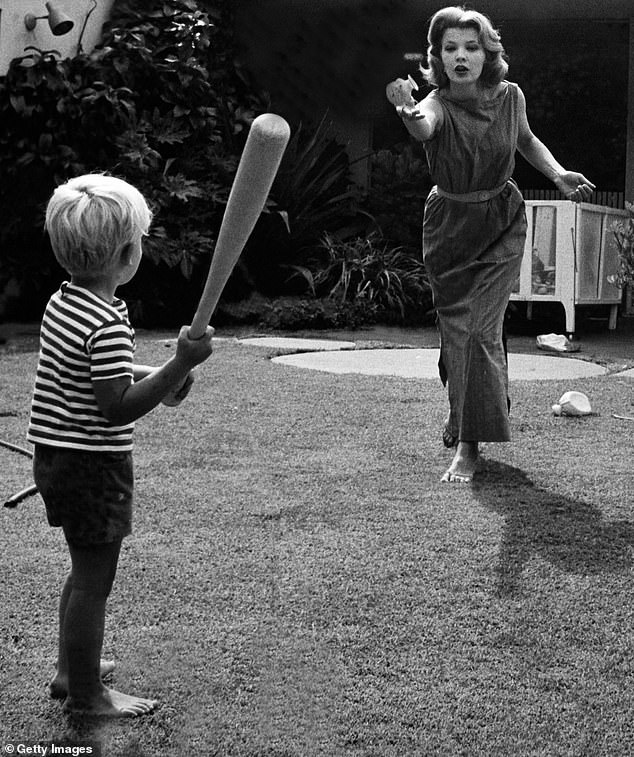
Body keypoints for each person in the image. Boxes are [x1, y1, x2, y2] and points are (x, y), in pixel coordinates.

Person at [27, 174, 214, 717]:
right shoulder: (106, 320)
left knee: (82, 569)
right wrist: (179, 364)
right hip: (91, 462)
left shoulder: (65, 302)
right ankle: (87, 696)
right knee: (93, 580)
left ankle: (70, 670)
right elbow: (118, 406)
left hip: (58, 456)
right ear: (127, 254)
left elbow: (94, 375)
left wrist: (156, 371)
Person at [386, 6, 594, 483]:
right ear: (437, 57)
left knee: (480, 331)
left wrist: (559, 174)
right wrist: (407, 113)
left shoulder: (510, 97)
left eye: (471, 47)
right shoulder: (436, 102)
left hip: (501, 221)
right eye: (450, 48)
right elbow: (425, 125)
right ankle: (465, 410)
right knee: (458, 334)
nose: (461, 56)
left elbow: (525, 140)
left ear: (487, 52)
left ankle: (468, 445)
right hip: (449, 228)